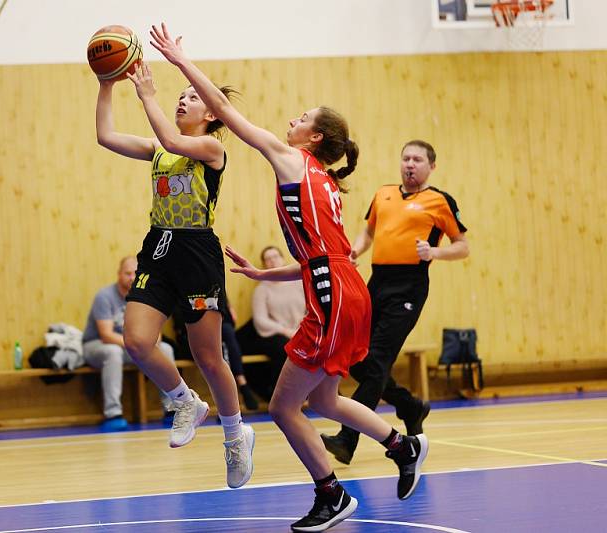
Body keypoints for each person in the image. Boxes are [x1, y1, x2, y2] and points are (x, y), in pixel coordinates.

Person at [151, 24, 428, 532]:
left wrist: (181, 61)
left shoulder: (291, 159)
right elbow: (326, 255)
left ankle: (331, 495)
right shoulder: (325, 182)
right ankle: (402, 444)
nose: (292, 120)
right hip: (343, 288)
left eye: (302, 119)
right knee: (322, 399)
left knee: (283, 407)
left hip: (332, 295)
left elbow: (228, 115)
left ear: (314, 138)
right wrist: (266, 273)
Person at [95, 59, 254, 488]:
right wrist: (106, 84)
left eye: (193, 97)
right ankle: (184, 401)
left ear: (212, 115)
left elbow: (169, 135)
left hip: (197, 252)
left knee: (208, 356)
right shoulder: (160, 148)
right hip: (159, 247)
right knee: (137, 341)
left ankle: (235, 434)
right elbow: (105, 136)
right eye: (179, 95)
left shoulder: (212, 150)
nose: (183, 100)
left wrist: (146, 94)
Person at [321, 140, 469, 465]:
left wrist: (435, 253)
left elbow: (462, 246)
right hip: (377, 284)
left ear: (431, 166)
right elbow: (369, 233)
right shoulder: (383, 194)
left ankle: (348, 437)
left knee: (376, 362)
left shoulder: (440, 201)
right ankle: (410, 406)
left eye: (417, 160)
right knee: (359, 361)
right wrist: (354, 251)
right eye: (406, 158)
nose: (410, 164)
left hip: (409, 287)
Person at [82, 256, 176, 431]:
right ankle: (113, 414)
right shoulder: (105, 296)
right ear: (119, 275)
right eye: (127, 273)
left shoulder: (145, 296)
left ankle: (172, 409)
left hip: (132, 347)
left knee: (165, 349)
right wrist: (138, 345)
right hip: (97, 346)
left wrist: (150, 345)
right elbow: (106, 335)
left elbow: (156, 332)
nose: (132, 277)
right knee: (112, 352)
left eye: (135, 273)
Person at [236, 245, 305, 400]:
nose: (272, 261)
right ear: (264, 265)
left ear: (283, 259)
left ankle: (313, 393)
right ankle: (282, 396)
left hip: (300, 330)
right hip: (275, 334)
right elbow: (261, 320)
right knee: (284, 349)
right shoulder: (262, 289)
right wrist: (285, 331)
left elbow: (310, 310)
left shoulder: (300, 284)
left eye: (275, 256)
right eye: (267, 259)